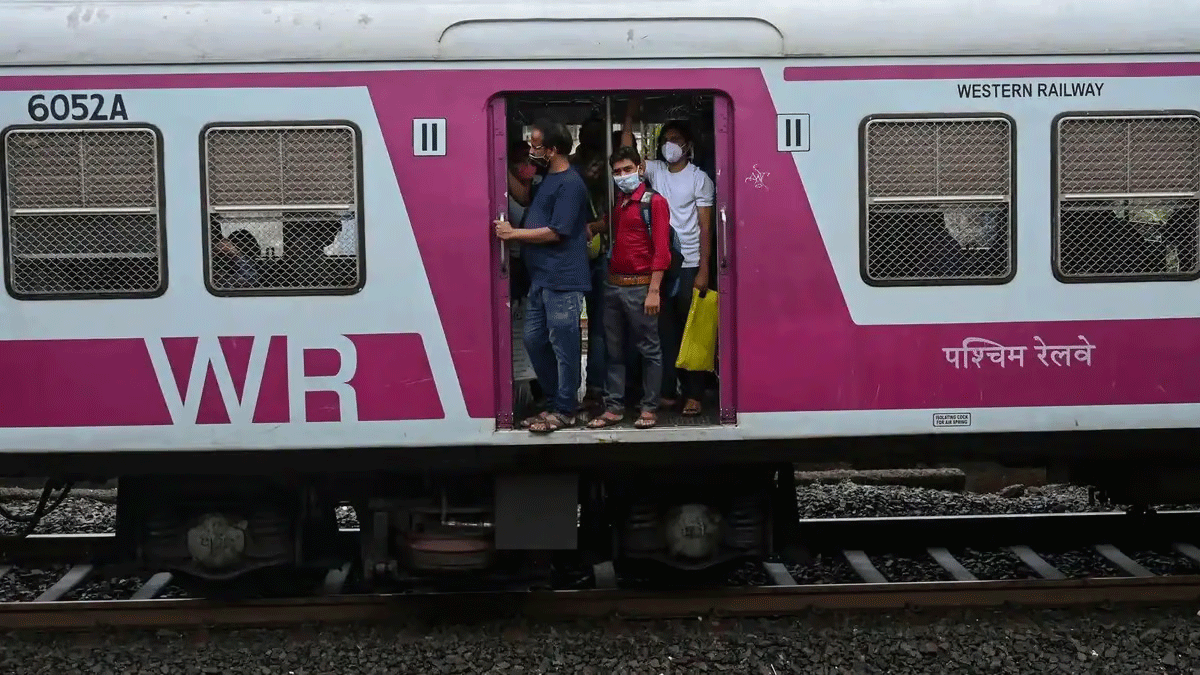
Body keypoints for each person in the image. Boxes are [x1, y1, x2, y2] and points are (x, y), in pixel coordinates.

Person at [494, 120, 592, 433]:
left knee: (564, 347)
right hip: (542, 278)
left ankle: (565, 409)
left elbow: (556, 232)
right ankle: (552, 403)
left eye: (537, 146)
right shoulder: (546, 178)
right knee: (535, 341)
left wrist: (514, 234)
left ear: (554, 149)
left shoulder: (571, 184)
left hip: (562, 279)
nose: (532, 151)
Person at [621, 98, 716, 417]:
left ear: (688, 145)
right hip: (662, 266)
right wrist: (629, 121)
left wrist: (704, 269)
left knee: (693, 332)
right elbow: (627, 156)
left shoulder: (700, 179)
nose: (669, 146)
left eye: (675, 140)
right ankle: (668, 392)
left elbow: (706, 229)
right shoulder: (657, 170)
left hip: (689, 265)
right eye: (665, 140)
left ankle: (694, 394)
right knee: (664, 332)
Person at [587, 146, 672, 430]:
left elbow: (662, 251)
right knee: (614, 350)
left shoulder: (654, 202)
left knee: (649, 349)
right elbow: (609, 227)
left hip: (640, 287)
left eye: (626, 170)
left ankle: (649, 408)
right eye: (616, 172)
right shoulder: (622, 202)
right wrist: (591, 227)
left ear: (639, 169)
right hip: (614, 285)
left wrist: (654, 291)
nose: (622, 176)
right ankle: (614, 407)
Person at [569, 118, 611, 412]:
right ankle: (594, 388)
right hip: (598, 251)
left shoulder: (568, 168)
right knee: (598, 325)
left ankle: (569, 390)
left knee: (569, 325)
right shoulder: (607, 169)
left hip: (572, 254)